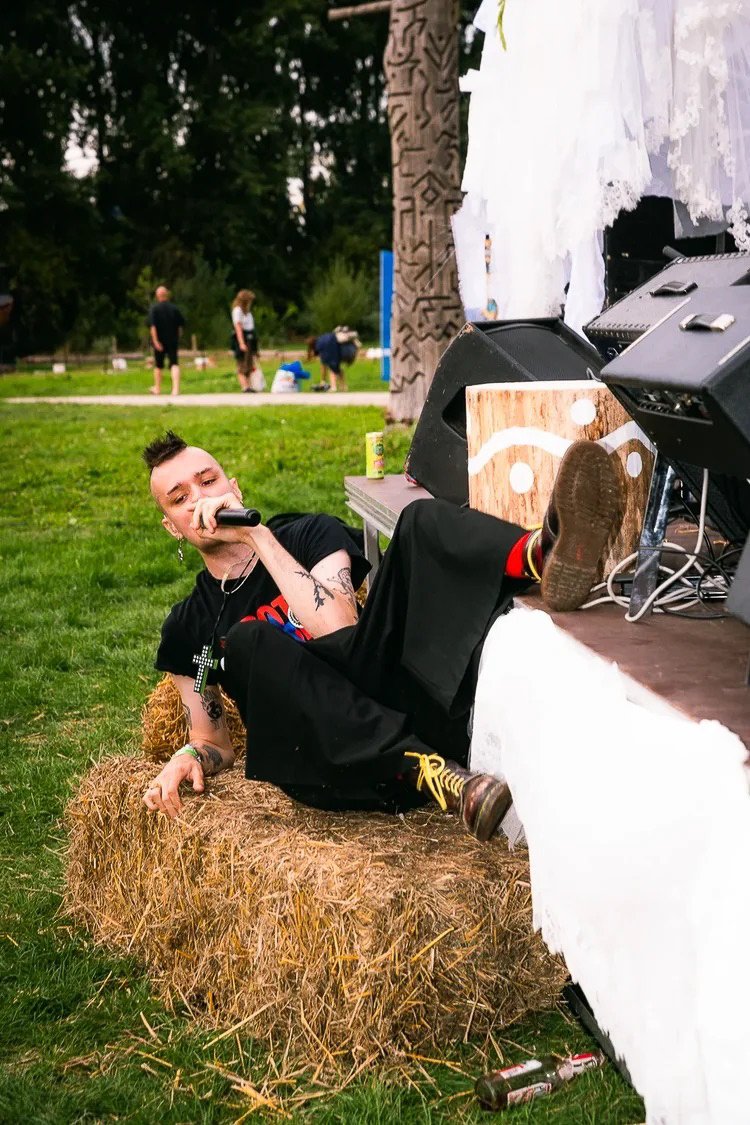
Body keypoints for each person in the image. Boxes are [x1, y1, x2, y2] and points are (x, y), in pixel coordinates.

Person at [142, 432, 623, 841]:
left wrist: (258, 538)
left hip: (398, 700)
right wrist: (188, 756)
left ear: (234, 486)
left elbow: (339, 630)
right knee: (247, 641)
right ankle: (434, 774)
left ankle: (542, 553)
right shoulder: (190, 626)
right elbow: (214, 741)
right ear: (171, 528)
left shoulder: (307, 534)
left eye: (208, 481)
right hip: (337, 762)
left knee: (418, 520)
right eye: (180, 497)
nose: (200, 499)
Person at [147, 286, 185, 396]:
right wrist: (177, 337)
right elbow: (180, 325)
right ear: (167, 295)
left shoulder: (154, 309)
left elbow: (153, 326)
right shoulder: (174, 308)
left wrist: (155, 340)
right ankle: (176, 389)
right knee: (174, 363)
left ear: (157, 296)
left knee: (158, 365)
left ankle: (158, 388)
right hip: (172, 340)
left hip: (160, 340)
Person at [306, 327, 360, 393]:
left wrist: (323, 380)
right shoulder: (322, 339)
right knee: (338, 369)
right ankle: (344, 387)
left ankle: (333, 387)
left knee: (332, 369)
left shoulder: (320, 345)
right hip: (341, 350)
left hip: (334, 351)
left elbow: (323, 363)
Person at [230, 289, 262, 393]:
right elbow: (238, 327)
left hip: (250, 337)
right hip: (242, 337)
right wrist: (241, 343)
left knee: (249, 363)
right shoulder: (237, 311)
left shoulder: (247, 312)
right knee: (242, 363)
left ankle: (249, 385)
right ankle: (244, 386)